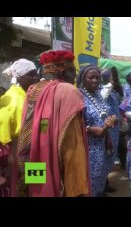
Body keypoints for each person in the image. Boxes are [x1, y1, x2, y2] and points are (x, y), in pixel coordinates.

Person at [13, 50, 91, 197]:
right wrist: (77, 187)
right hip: (55, 160)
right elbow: (72, 146)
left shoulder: (33, 89)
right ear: (62, 71)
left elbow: (27, 127)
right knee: (54, 189)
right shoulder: (68, 91)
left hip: (34, 153)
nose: (75, 75)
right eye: (72, 70)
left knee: (38, 190)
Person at [77, 65, 118, 197]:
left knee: (100, 178)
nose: (95, 80)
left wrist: (111, 120)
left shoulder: (98, 95)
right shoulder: (77, 96)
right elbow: (72, 124)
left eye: (97, 78)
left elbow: (103, 113)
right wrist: (88, 130)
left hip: (102, 146)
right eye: (91, 78)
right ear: (83, 79)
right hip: (88, 149)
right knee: (88, 181)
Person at [0, 59, 39, 196]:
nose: (35, 78)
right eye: (31, 74)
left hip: (34, 150)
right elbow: (3, 131)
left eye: (36, 74)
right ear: (19, 76)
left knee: (35, 186)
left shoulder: (31, 96)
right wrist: (10, 156)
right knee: (20, 188)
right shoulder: (10, 98)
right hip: (18, 152)